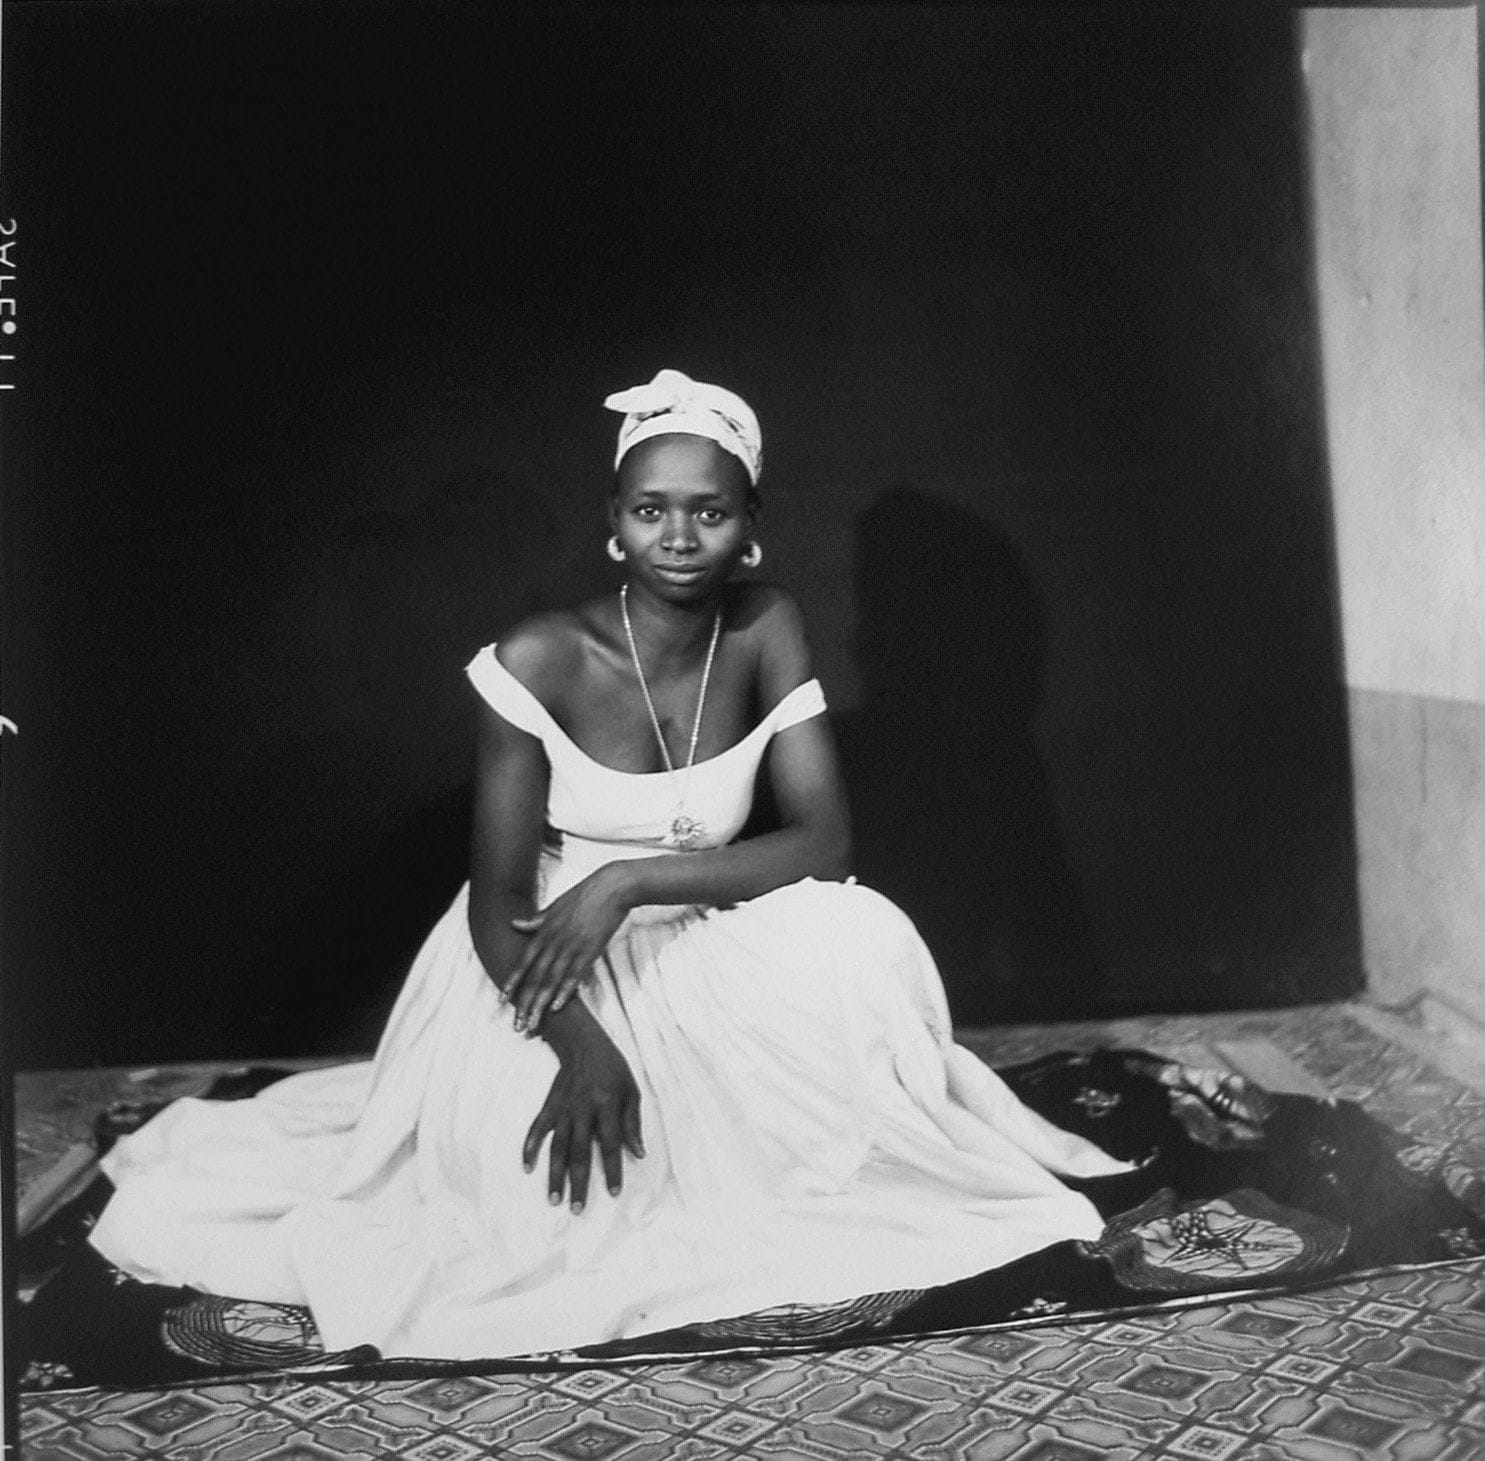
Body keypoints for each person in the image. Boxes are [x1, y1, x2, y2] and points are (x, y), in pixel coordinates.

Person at [89, 368, 1131, 1361]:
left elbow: (824, 843)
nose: (678, 538)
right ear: (614, 520)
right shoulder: (538, 657)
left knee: (858, 937)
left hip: (702, 938)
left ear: (752, 530)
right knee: (539, 1222)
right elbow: (497, 909)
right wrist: (582, 1046)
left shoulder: (768, 628)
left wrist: (627, 879)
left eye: (710, 513)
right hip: (542, 962)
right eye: (650, 510)